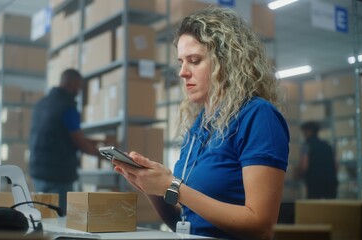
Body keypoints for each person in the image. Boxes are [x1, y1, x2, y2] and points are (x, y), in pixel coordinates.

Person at [112, 7, 289, 240]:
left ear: (226, 62)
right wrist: (152, 187)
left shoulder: (258, 117)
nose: (183, 73)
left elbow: (260, 224)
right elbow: (183, 222)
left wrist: (174, 186)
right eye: (181, 62)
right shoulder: (200, 126)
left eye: (194, 61)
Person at [28, 68, 101, 214]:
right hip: (58, 176)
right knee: (60, 219)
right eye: (78, 87)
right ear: (72, 83)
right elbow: (80, 143)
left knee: (43, 217)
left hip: (37, 172)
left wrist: (94, 142)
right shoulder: (68, 108)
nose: (79, 91)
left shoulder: (41, 104)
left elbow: (57, 135)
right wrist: (108, 156)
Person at [297, 121, 338, 199]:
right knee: (330, 209)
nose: (303, 134)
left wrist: (299, 174)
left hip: (314, 183)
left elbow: (304, 166)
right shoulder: (327, 145)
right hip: (330, 182)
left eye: (305, 131)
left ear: (310, 131)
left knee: (314, 209)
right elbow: (336, 167)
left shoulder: (306, 145)